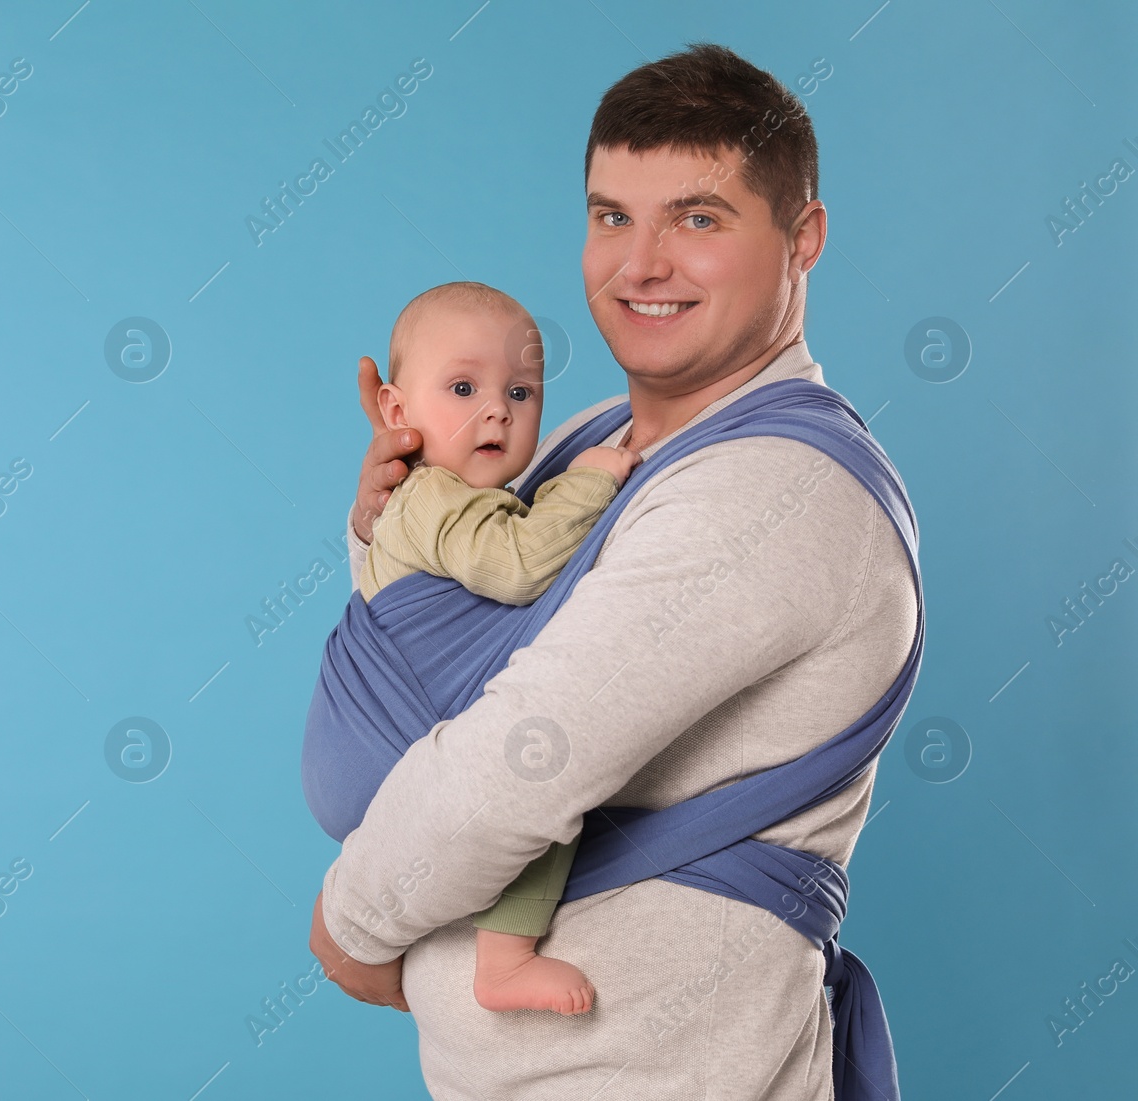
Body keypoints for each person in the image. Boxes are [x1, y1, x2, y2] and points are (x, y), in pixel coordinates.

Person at [308, 42, 919, 1100]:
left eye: (697, 218)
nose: (639, 265)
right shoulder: (599, 437)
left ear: (801, 238)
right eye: (609, 217)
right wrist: (384, 515)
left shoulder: (772, 491)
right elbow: (453, 608)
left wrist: (350, 927)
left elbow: (516, 759)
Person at [355, 278, 641, 1015]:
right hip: (413, 726)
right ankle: (505, 959)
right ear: (396, 409)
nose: (496, 410)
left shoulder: (436, 497)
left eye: (521, 392)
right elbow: (516, 568)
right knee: (546, 792)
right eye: (461, 387)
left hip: (409, 734)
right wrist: (585, 484)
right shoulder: (435, 496)